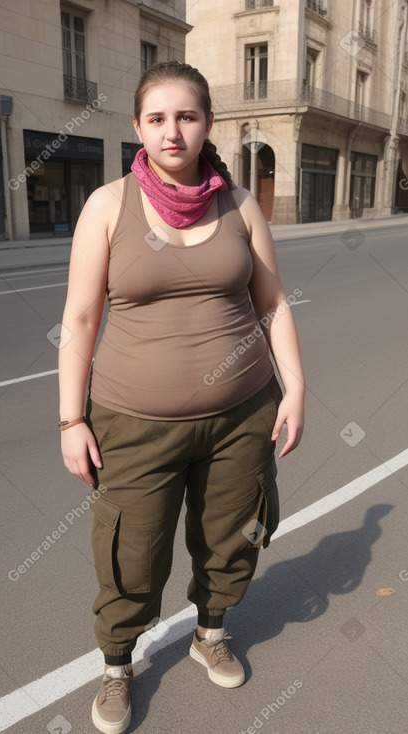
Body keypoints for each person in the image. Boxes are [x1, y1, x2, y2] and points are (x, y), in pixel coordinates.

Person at [58, 61, 305, 734]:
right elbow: (79, 321)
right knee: (130, 551)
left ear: (206, 124)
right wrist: (70, 418)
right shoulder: (108, 206)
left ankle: (209, 631)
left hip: (241, 412)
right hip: (132, 424)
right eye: (159, 118)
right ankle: (117, 666)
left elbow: (272, 303)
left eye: (187, 116)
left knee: (232, 537)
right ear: (138, 127)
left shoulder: (240, 204)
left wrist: (296, 387)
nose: (173, 131)